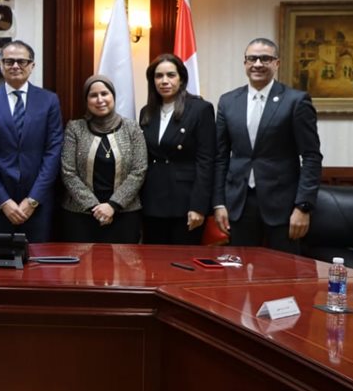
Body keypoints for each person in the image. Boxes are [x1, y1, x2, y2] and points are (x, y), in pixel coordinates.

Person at [213, 38, 323, 253]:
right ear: (245, 63)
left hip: (283, 206)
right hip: (239, 203)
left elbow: (311, 157)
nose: (258, 64)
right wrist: (219, 203)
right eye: (252, 58)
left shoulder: (296, 101)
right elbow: (220, 157)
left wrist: (303, 207)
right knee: (239, 267)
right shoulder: (228, 101)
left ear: (276, 63)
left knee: (283, 269)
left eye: (265, 59)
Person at [0, 40, 63, 242]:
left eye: (22, 61)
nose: (15, 66)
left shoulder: (49, 100)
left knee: (38, 259)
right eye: (9, 61)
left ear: (32, 65)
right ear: (1, 65)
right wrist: (3, 201)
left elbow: (53, 152)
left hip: (38, 202)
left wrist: (33, 199)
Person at [59, 75, 146, 243]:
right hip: (80, 216)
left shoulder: (132, 128)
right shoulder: (75, 128)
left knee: (124, 261)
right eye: (93, 95)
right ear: (86, 100)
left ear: (113, 96)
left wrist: (112, 205)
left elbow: (139, 170)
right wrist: (95, 207)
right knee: (81, 261)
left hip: (124, 215)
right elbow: (68, 172)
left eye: (104, 94)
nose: (100, 100)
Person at [138, 54, 215, 245]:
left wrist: (199, 206)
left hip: (185, 202)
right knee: (153, 260)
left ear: (181, 79)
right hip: (152, 200)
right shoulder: (146, 112)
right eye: (158, 76)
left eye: (171, 75)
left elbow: (206, 161)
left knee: (183, 259)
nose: (164, 81)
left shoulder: (200, 109)